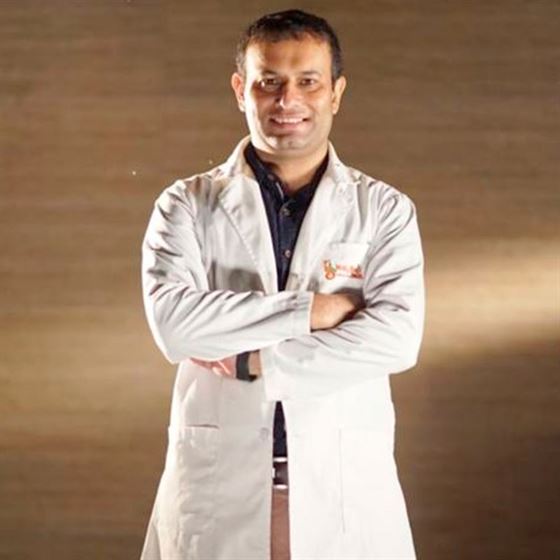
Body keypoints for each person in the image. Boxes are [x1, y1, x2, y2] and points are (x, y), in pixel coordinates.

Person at [140, 9, 424, 560]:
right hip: (218, 487)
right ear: (240, 90)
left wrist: (256, 361)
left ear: (336, 93)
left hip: (344, 488)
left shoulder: (384, 210)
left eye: (308, 81)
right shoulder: (186, 205)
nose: (287, 99)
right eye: (269, 82)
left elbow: (395, 338)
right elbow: (175, 325)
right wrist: (311, 310)